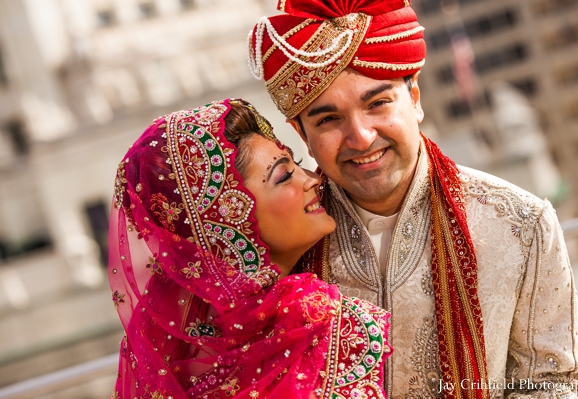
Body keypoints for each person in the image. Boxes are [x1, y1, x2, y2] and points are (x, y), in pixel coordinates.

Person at [247, 0, 578, 398]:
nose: (361, 137)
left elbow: (558, 383)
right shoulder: (285, 242)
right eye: (328, 120)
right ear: (300, 134)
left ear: (414, 97)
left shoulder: (521, 222)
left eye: (377, 104)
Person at [108, 99, 393, 398]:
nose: (312, 178)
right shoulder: (315, 319)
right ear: (226, 220)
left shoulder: (163, 343)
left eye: (294, 163)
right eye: (283, 176)